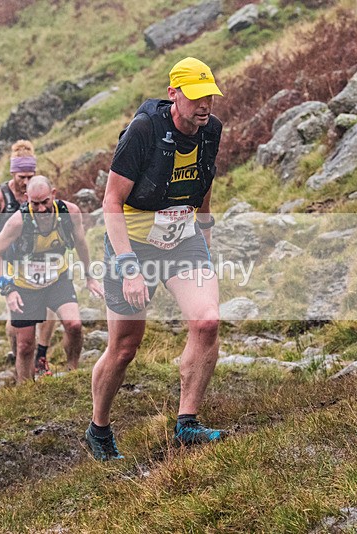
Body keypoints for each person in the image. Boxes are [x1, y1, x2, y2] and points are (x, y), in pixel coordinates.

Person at [85, 57, 226, 460]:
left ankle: (187, 424)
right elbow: (111, 200)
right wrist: (129, 267)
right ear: (173, 94)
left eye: (209, 98)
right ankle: (99, 428)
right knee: (126, 346)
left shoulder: (210, 130)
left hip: (183, 238)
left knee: (207, 320)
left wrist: (206, 238)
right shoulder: (144, 131)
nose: (204, 106)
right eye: (196, 97)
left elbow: (204, 184)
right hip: (132, 242)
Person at [0, 175, 104, 382]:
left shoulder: (70, 212)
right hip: (24, 285)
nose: (41, 208)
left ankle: (72, 372)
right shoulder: (17, 221)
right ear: (26, 198)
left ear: (53, 194)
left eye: (45, 202)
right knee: (24, 345)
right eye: (35, 203)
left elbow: (80, 243)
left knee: (74, 325)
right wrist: (7, 288)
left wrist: (90, 277)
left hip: (57, 280)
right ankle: (24, 388)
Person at [0, 140, 58, 376]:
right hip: (9, 261)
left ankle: (40, 356)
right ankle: (19, 356)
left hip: (39, 256)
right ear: (13, 173)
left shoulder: (37, 190)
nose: (26, 182)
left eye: (30, 175)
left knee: (49, 304)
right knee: (17, 315)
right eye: (22, 176)